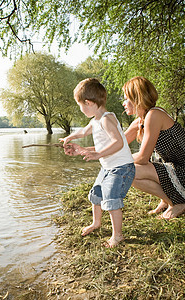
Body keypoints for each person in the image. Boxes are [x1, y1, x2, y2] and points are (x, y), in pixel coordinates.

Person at [60, 78, 135, 248]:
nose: (81, 109)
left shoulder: (107, 119)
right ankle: (96, 223)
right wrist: (70, 138)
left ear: (89, 103)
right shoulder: (95, 120)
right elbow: (83, 132)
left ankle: (117, 236)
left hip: (121, 168)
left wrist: (97, 154)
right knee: (97, 194)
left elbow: (118, 142)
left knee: (111, 199)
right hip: (108, 167)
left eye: (81, 106)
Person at [122, 76, 185, 219]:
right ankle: (166, 200)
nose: (123, 103)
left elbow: (143, 158)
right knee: (126, 171)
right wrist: (88, 151)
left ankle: (176, 203)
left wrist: (118, 162)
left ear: (137, 98)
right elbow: (118, 145)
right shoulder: (141, 121)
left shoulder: (154, 115)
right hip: (178, 169)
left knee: (127, 170)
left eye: (126, 99)